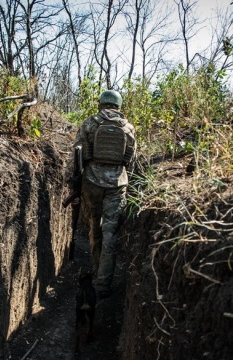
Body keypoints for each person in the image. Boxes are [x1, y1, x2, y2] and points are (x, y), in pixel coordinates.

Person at [66, 90, 136, 299]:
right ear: (118, 105)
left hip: (92, 183)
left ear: (101, 104)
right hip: (117, 184)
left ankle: (97, 271)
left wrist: (73, 182)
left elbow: (77, 156)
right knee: (110, 232)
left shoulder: (89, 124)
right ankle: (104, 284)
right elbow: (130, 160)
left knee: (94, 227)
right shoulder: (128, 128)